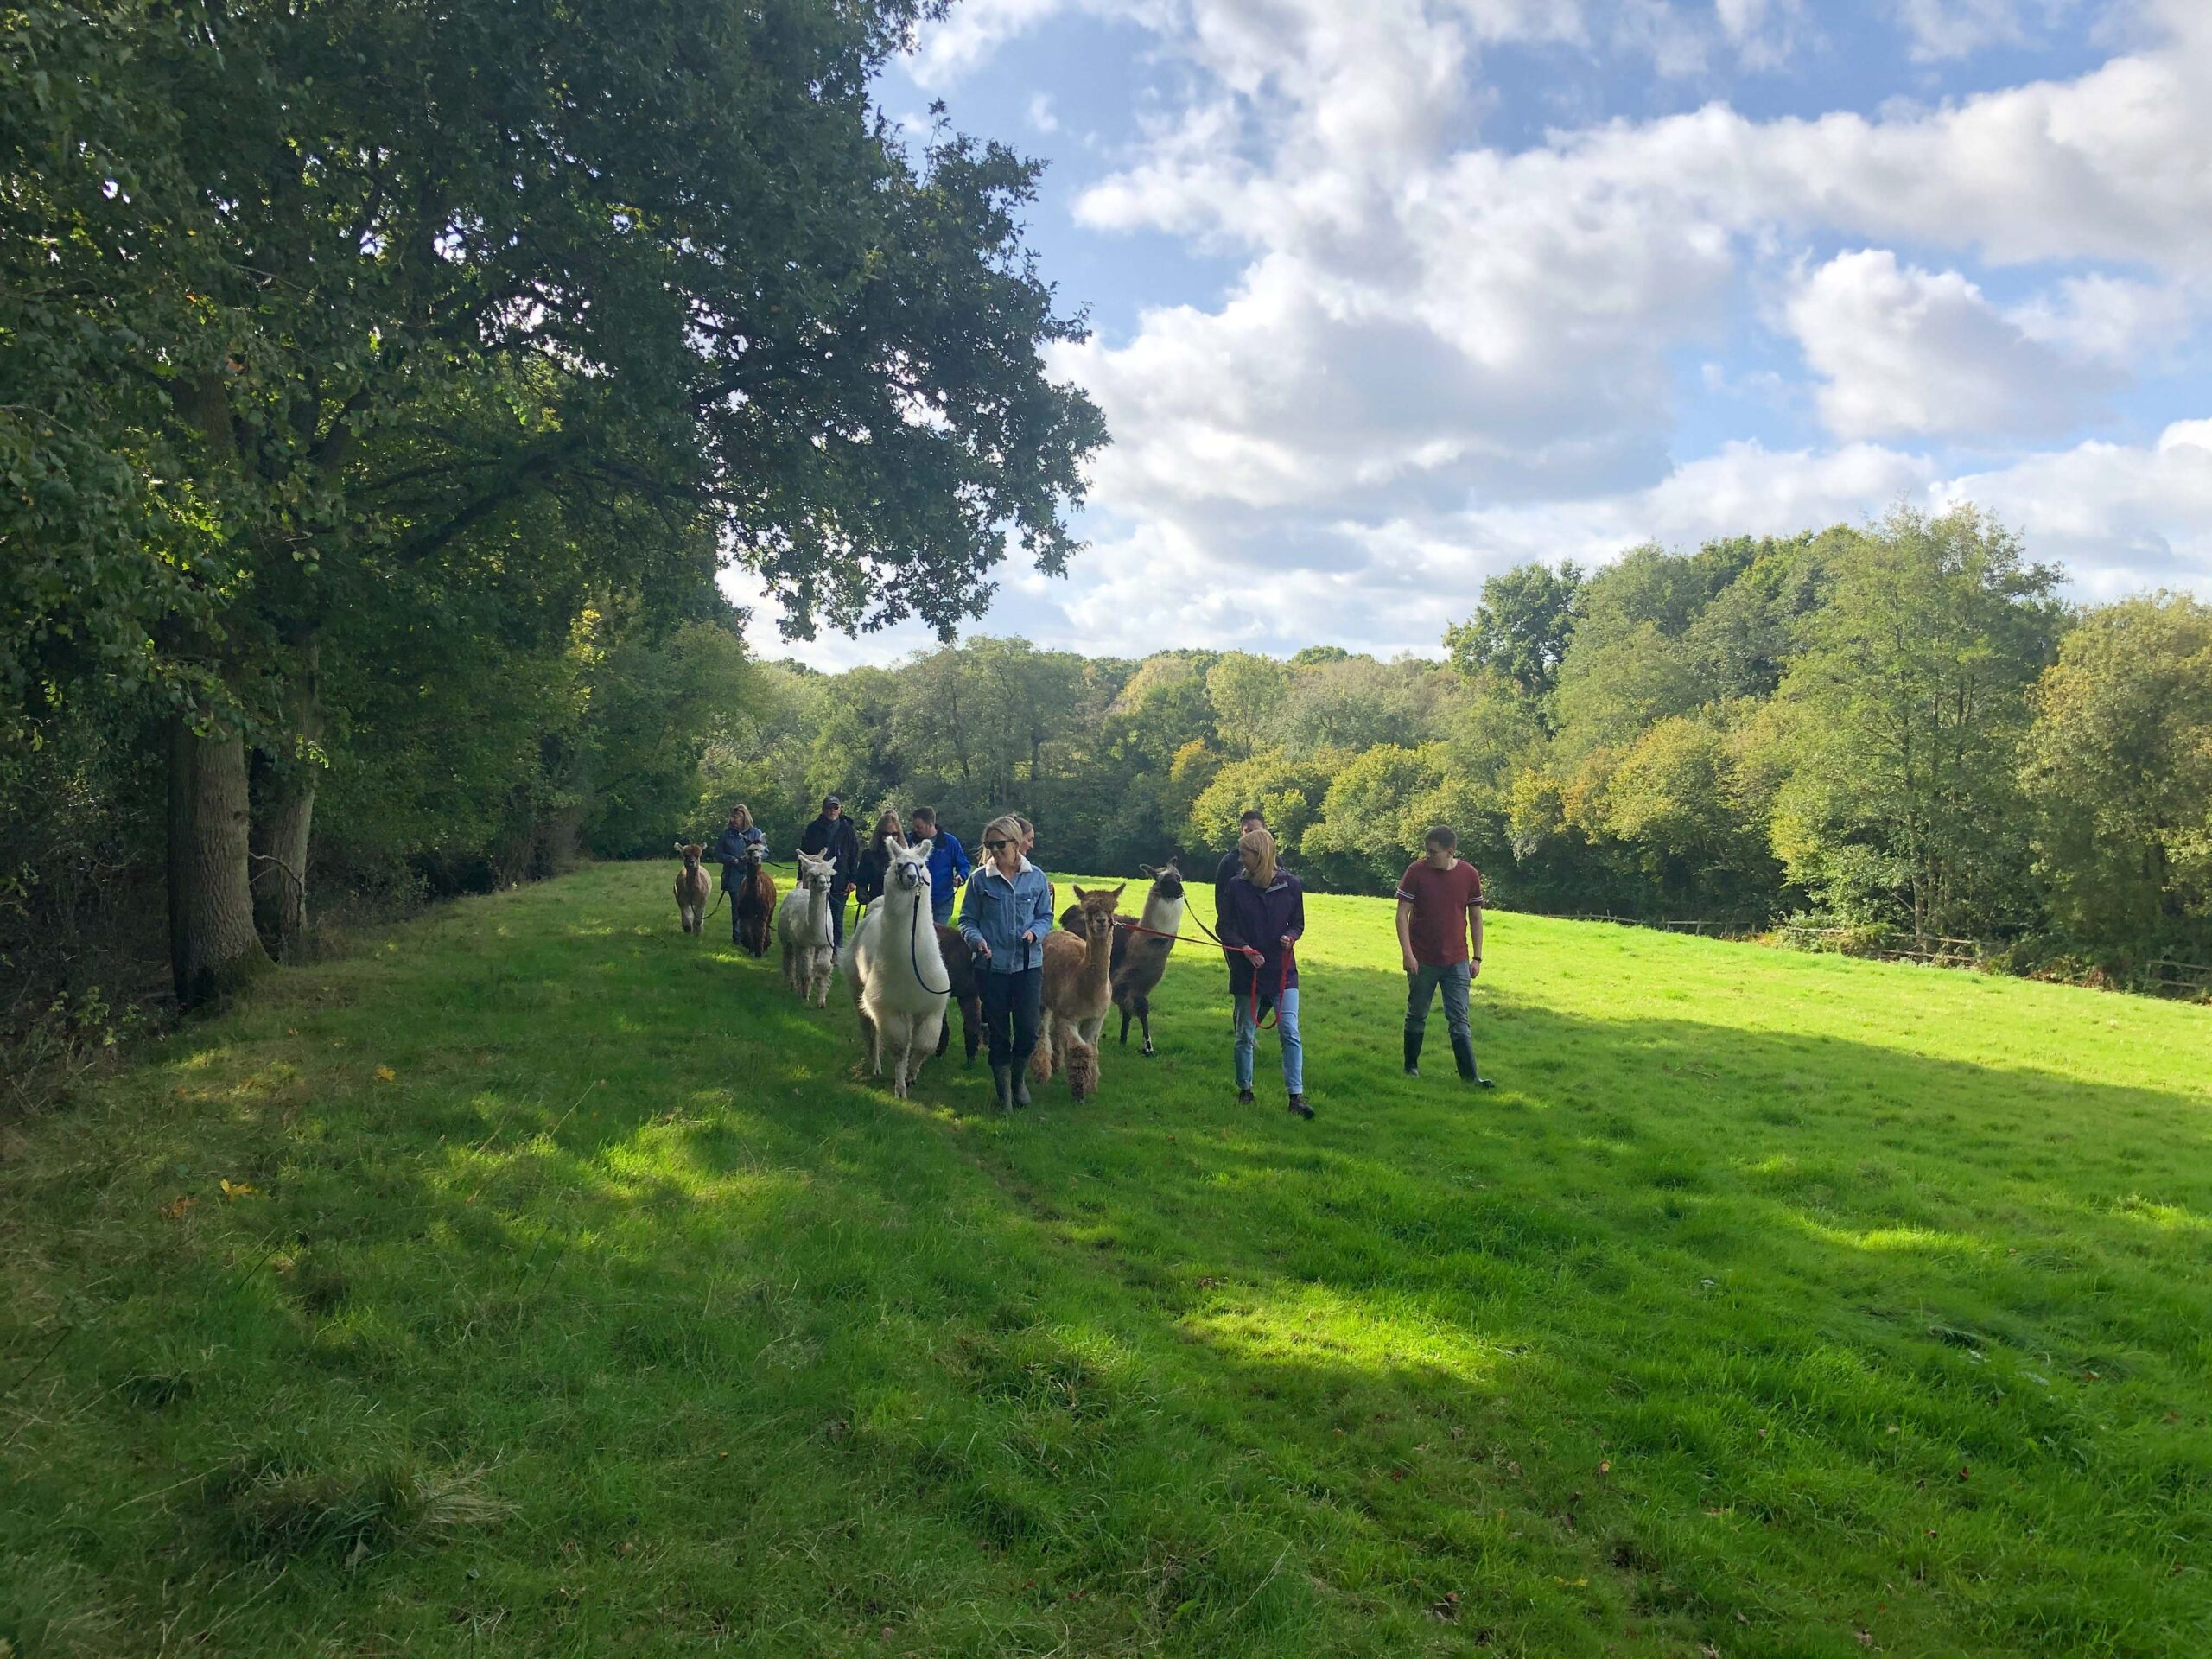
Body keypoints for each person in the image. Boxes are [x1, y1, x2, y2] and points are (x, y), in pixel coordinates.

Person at [958, 813, 1056, 1113]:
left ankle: (1018, 1081)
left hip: (1028, 965)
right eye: (990, 845)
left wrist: (1035, 933)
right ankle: (1005, 1098)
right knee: (999, 1033)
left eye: (1000, 845)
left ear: (1016, 843)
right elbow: (967, 920)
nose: (995, 851)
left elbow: (1045, 916)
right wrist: (977, 940)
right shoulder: (979, 880)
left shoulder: (1036, 877)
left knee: (1028, 1030)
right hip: (991, 967)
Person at [1216, 826, 1309, 1119]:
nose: (1240, 859)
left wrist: (1291, 937)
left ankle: (1296, 1096)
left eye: (1245, 854)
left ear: (1261, 855)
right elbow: (1224, 927)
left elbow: (1298, 923)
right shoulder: (1236, 886)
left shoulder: (1291, 885)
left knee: (1290, 1031)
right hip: (1248, 971)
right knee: (1245, 1033)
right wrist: (1244, 948)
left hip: (1283, 972)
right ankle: (1245, 1089)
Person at [1397, 823, 1491, 1087]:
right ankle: (1411, 1066)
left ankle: (1471, 1077)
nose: (1428, 856)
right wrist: (1408, 954)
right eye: (1427, 851)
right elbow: (1402, 914)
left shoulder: (1469, 874)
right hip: (1422, 957)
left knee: (1459, 1019)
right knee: (1417, 1013)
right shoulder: (1416, 872)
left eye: (1433, 852)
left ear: (1450, 851)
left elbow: (1475, 916)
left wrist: (1477, 957)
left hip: (1457, 960)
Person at [798, 793, 862, 946]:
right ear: (823, 809)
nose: (832, 810)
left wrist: (853, 880)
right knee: (816, 915)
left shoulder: (847, 829)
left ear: (840, 810)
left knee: (836, 917)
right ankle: (815, 946)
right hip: (816, 878)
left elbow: (854, 855)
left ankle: (835, 950)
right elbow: (804, 854)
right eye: (829, 807)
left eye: (835, 807)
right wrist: (800, 877)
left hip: (839, 879)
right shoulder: (813, 829)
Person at [1213, 810, 1268, 977]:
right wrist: (1236, 939)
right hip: (1238, 939)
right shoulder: (1229, 863)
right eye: (1247, 831)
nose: (1251, 835)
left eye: (1256, 831)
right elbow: (1221, 904)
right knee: (1244, 985)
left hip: (1268, 937)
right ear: (1241, 832)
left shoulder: (1275, 862)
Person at [711, 804, 767, 946]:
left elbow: (766, 852)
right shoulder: (726, 834)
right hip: (734, 875)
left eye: (736, 817)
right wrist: (731, 859)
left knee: (756, 906)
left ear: (744, 817)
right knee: (738, 907)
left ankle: (755, 937)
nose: (733, 819)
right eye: (732, 817)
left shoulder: (756, 833)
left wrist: (756, 856)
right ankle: (739, 938)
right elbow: (718, 854)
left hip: (753, 876)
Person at [909, 807, 969, 925]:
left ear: (930, 825)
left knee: (937, 936)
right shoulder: (910, 840)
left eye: (919, 827)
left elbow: (964, 865)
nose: (916, 830)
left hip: (942, 901)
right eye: (915, 827)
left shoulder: (950, 842)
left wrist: (960, 877)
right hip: (915, 899)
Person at [852, 809, 906, 910]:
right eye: (886, 834)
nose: (890, 838)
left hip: (900, 906)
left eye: (894, 834)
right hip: (876, 904)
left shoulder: (905, 857)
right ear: (879, 833)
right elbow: (862, 882)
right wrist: (862, 894)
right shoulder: (869, 855)